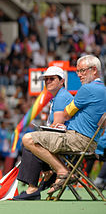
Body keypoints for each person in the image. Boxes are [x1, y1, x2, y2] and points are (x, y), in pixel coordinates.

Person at [23, 55, 106, 196]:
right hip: (88, 141)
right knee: (38, 138)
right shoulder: (102, 89)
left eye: (82, 71)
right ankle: (50, 175)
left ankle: (61, 171)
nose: (79, 75)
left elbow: (67, 114)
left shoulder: (87, 89)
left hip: (78, 139)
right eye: (78, 71)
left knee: (28, 139)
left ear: (94, 70)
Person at [14, 66, 74, 200]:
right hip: (63, 139)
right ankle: (44, 176)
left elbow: (57, 127)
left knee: (30, 142)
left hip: (64, 141)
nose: (48, 82)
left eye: (52, 79)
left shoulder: (62, 97)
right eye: (46, 79)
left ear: (61, 81)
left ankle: (34, 187)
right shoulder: (58, 97)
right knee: (31, 141)